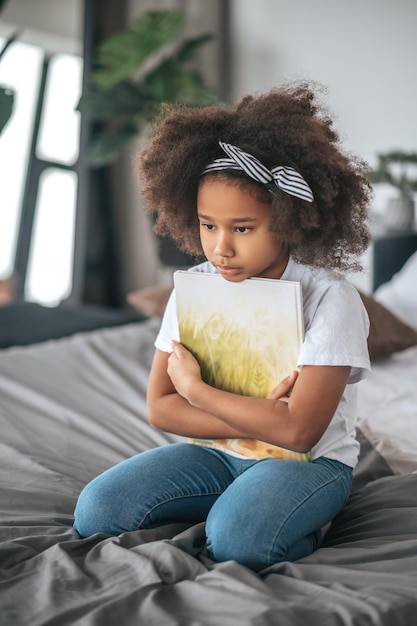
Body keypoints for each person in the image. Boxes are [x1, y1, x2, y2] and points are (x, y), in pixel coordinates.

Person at [74, 82, 371, 572]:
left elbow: (297, 432)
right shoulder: (195, 287)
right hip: (217, 455)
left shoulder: (329, 299)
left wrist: (196, 389)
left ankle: (292, 516)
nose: (220, 249)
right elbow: (160, 409)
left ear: (290, 220)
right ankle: (238, 501)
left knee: (238, 542)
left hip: (308, 465)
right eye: (208, 225)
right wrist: (263, 412)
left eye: (243, 228)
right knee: (98, 511)